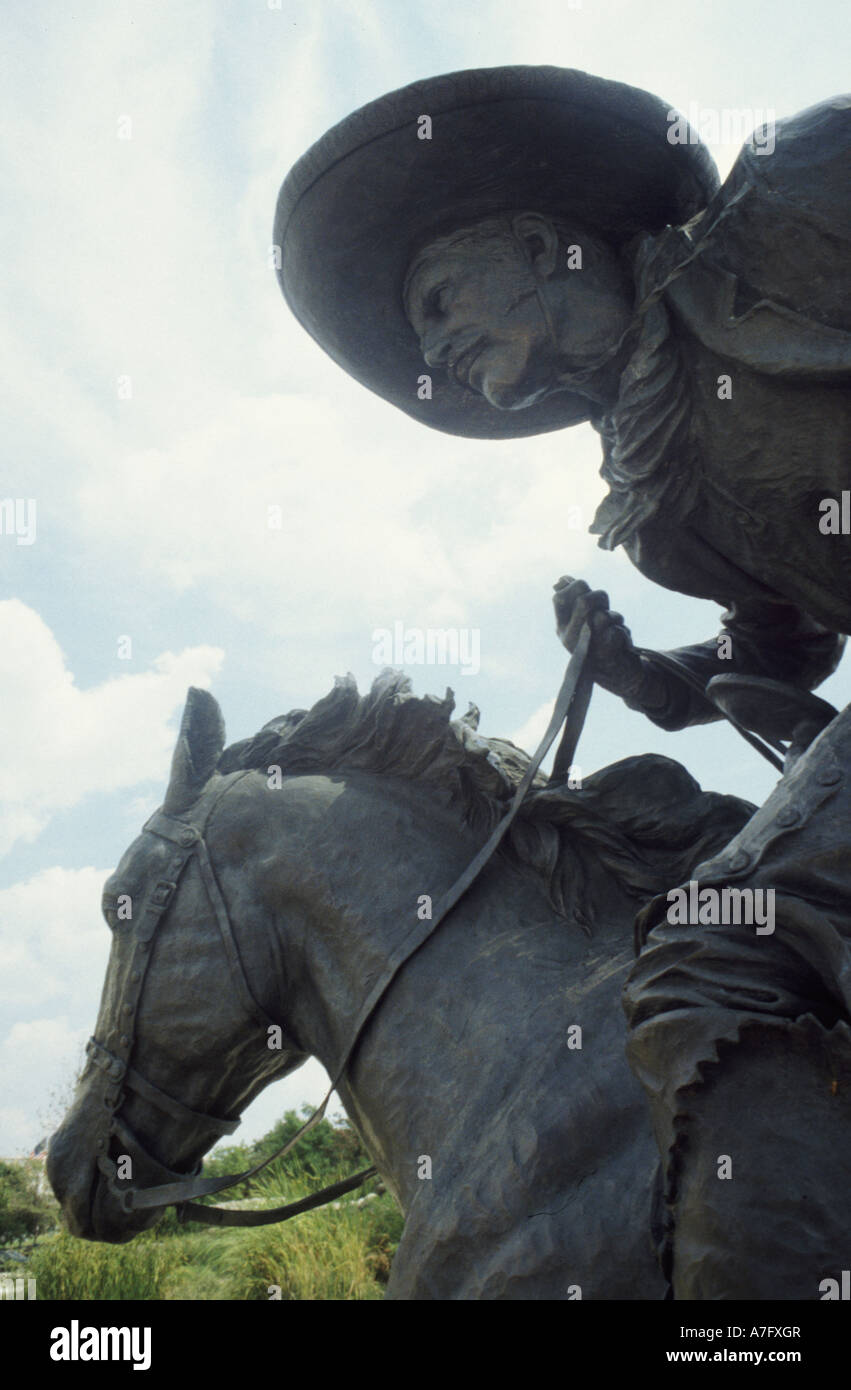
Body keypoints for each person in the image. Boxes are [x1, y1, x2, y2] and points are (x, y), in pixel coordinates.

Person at [275, 65, 851, 1298]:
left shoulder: (789, 204)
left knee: (718, 954)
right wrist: (634, 665)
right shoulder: (654, 515)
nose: (430, 344)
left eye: (438, 299)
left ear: (542, 246)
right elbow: (778, 654)